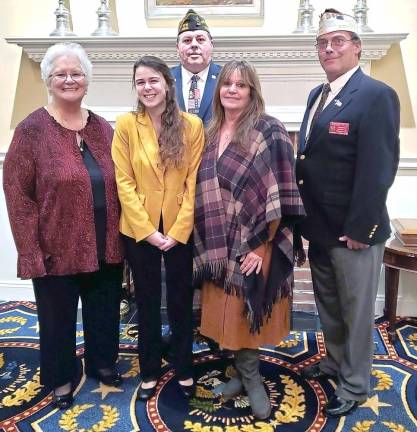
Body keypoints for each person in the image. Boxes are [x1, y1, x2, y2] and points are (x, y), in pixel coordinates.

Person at [3, 43, 124, 410]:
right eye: (61, 74)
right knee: (57, 316)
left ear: (87, 81)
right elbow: (17, 195)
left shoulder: (103, 128)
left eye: (77, 74)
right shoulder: (31, 130)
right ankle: (60, 377)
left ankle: (103, 362)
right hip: (55, 246)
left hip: (107, 241)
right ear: (48, 81)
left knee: (104, 307)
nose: (69, 79)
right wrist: (30, 251)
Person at [296, 9, 400, 418]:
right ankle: (336, 364)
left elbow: (378, 169)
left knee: (356, 313)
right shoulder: (316, 95)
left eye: (338, 41)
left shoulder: (376, 95)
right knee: (330, 306)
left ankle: (356, 384)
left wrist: (363, 226)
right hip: (321, 228)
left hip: (354, 230)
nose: (329, 48)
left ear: (357, 47)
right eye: (323, 42)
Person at [194, 60, 305, 419]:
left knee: (245, 310)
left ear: (252, 90)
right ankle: (241, 373)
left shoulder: (268, 130)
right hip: (217, 239)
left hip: (257, 240)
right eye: (227, 83)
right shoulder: (210, 130)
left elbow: (279, 193)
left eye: (241, 85)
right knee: (225, 311)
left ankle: (252, 378)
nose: (232, 90)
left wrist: (259, 245)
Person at [112, 55, 204, 401]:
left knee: (181, 301)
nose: (147, 88)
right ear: (135, 88)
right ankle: (149, 368)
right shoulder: (125, 125)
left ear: (168, 84)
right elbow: (124, 181)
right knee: (147, 301)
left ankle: (183, 365)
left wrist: (179, 230)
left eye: (153, 81)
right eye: (140, 82)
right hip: (139, 228)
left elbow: (194, 181)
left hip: (180, 227)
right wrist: (148, 230)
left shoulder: (191, 125)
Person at [171, 8, 222, 126]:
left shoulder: (227, 78)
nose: (194, 44)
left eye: (200, 40)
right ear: (177, 47)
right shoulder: (163, 79)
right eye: (187, 40)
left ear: (211, 45)